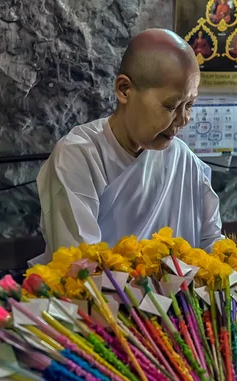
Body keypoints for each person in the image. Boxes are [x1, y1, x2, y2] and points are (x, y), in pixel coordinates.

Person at [34, 29, 223, 262]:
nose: (183, 119)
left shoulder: (183, 161)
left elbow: (211, 244)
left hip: (180, 298)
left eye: (190, 105)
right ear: (124, 90)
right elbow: (81, 265)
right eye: (172, 106)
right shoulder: (78, 156)